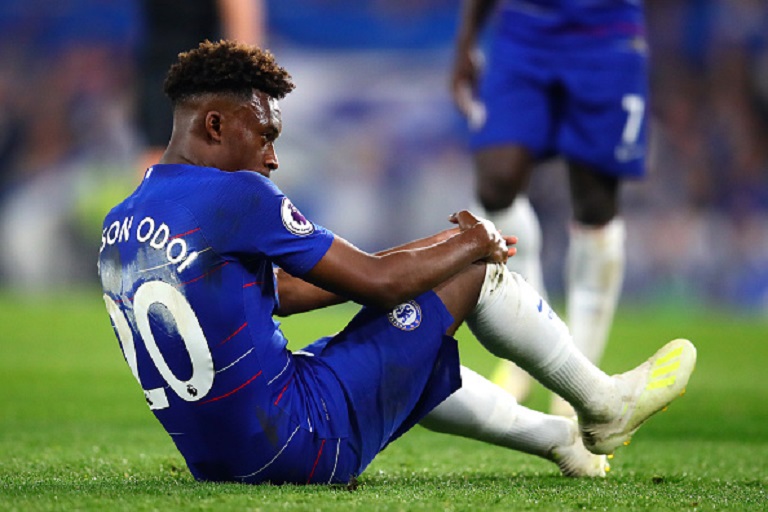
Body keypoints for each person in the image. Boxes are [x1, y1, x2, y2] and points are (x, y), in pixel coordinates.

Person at [98, 40, 695, 485]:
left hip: (219, 461)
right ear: (215, 124)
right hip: (300, 443)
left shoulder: (121, 222)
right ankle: (603, 405)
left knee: (391, 344)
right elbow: (381, 286)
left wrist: (423, 252)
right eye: (265, 136)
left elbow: (280, 292)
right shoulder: (238, 195)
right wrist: (473, 244)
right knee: (469, 279)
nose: (273, 159)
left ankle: (562, 440)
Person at [450, 0, 650, 414]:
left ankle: (579, 381)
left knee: (594, 199)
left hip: (605, 33)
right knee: (496, 181)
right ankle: (534, 339)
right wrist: (466, 41)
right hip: (524, 30)